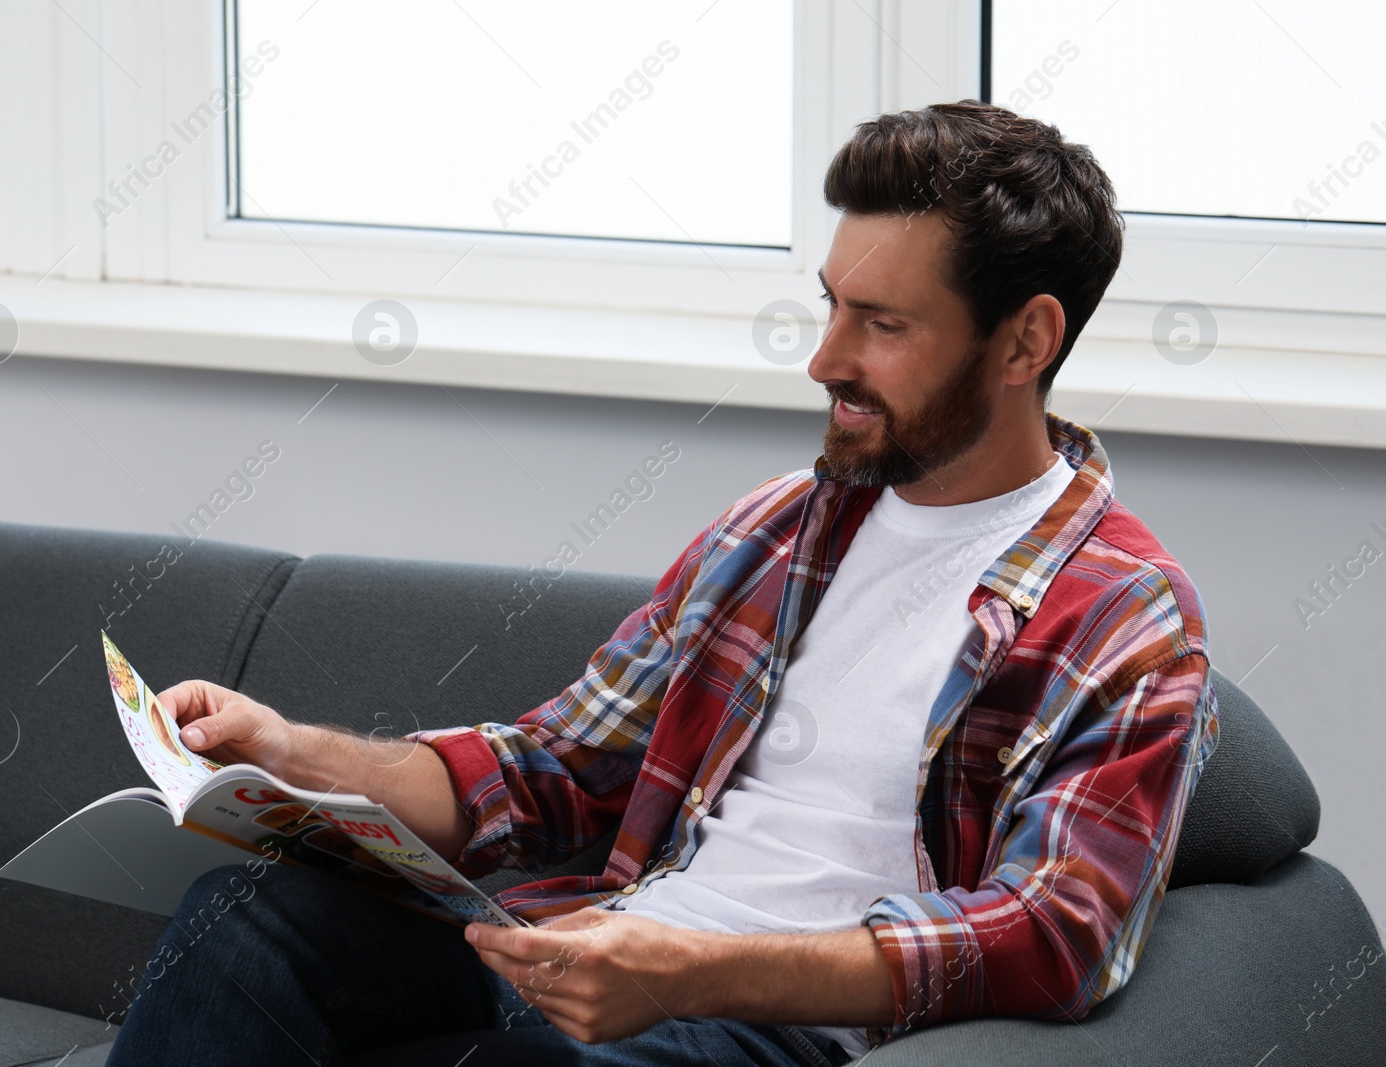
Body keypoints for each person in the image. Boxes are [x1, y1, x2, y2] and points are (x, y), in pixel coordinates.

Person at [106, 100, 1218, 1067]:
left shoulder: (1122, 613)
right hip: (606, 947)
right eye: (831, 304)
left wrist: (690, 969)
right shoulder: (777, 528)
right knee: (243, 919)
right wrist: (292, 755)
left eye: (881, 325)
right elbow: (552, 769)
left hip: (768, 1030)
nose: (825, 358)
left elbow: (1057, 933)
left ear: (1025, 341)